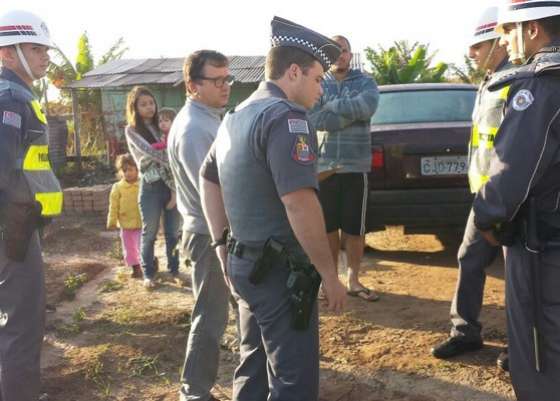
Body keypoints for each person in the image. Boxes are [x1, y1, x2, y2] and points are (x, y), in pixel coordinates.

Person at [199, 16, 347, 401]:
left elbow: (208, 178)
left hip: (246, 264)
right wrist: (329, 274)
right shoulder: (287, 118)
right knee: (293, 382)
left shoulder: (235, 116)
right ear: (293, 72)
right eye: (317, 79)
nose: (321, 89)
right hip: (281, 275)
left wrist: (220, 244)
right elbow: (299, 203)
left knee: (253, 364)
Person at [471, 1, 560, 399]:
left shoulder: (542, 84)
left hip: (544, 246)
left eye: (508, 31)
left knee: (541, 350)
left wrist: (487, 216)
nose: (504, 40)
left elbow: (513, 170)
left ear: (534, 30)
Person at [431, 6, 511, 369]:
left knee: (522, 275)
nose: (471, 53)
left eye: (478, 45)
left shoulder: (520, 81)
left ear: (499, 42)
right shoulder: (490, 81)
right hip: (485, 197)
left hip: (513, 198)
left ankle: (524, 345)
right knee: (469, 259)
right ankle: (466, 332)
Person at [0, 10, 63, 401]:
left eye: (44, 49)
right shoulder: (8, 97)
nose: (44, 57)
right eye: (35, 48)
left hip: (20, 225)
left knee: (19, 321)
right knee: (22, 324)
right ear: (7, 53)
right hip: (14, 228)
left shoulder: (19, 95)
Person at [167, 50, 232, 401]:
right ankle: (193, 392)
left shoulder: (209, 118)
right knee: (210, 316)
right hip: (209, 234)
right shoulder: (195, 128)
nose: (225, 86)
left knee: (220, 312)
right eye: (217, 80)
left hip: (214, 231)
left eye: (227, 78)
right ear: (193, 85)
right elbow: (211, 193)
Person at [308, 35, 380, 302]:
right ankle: (332, 278)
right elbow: (314, 118)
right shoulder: (318, 82)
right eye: (335, 51)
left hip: (355, 164)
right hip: (325, 166)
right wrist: (348, 115)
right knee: (328, 227)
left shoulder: (366, 81)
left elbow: (368, 107)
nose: (340, 55)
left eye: (344, 50)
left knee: (354, 228)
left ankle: (353, 279)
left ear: (350, 54)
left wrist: (333, 107)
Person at [124, 86, 182, 289]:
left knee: (173, 233)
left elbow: (176, 145)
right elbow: (148, 152)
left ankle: (174, 270)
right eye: (143, 104)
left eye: (151, 103)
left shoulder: (163, 125)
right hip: (150, 187)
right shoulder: (131, 130)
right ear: (135, 108)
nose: (149, 107)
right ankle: (149, 274)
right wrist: (172, 158)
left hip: (172, 185)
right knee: (149, 233)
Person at [107, 153, 142, 278]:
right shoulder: (118, 187)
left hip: (142, 223)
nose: (128, 173)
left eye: (131, 170)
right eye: (125, 170)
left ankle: (149, 262)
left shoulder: (143, 184)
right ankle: (135, 267)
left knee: (142, 246)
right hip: (125, 223)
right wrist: (111, 221)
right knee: (129, 248)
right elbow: (113, 205)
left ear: (138, 169)